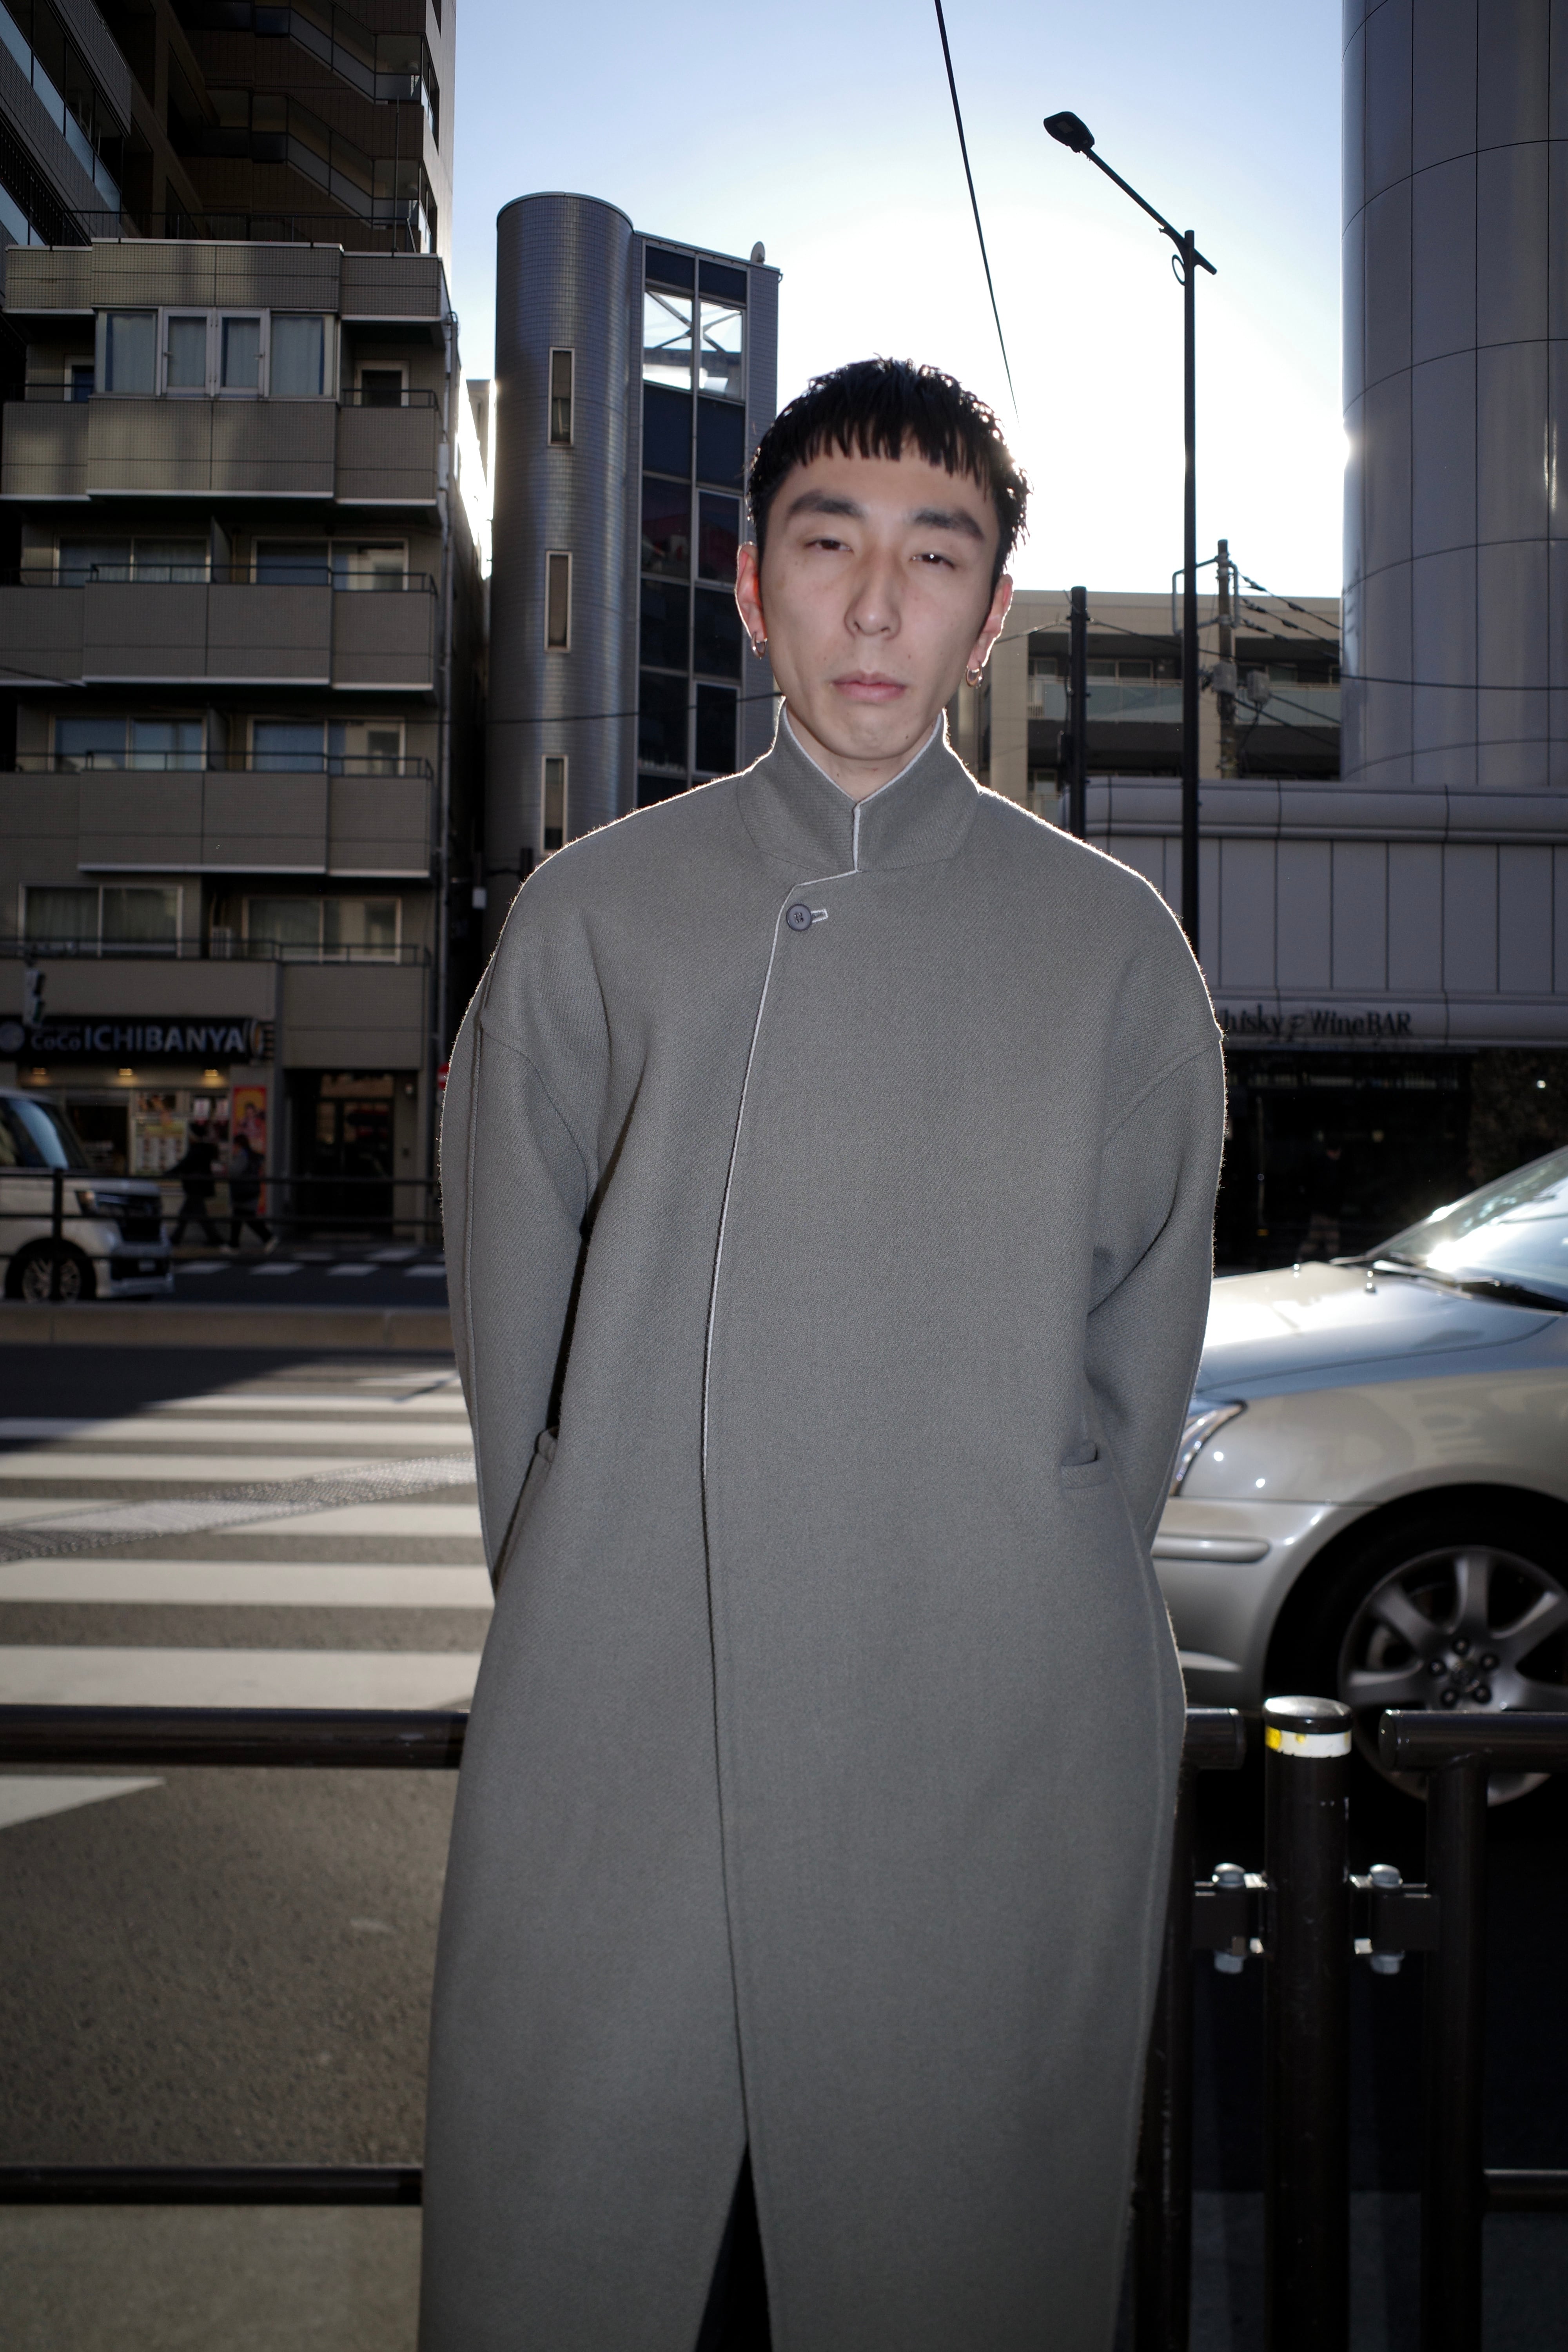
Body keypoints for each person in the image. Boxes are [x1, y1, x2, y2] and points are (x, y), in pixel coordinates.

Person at [421, 358, 1225, 2352]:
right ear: (748, 588)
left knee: (941, 2253)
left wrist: (1011, 1584)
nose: (876, 603)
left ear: (989, 613)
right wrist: (606, 1593)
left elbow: (1127, 1389)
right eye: (826, 543)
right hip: (637, 1727)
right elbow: (514, 1348)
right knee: (615, 2258)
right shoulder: (594, 918)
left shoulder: (1109, 951)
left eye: (933, 557)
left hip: (988, 1749)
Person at [167, 1120, 221, 1248]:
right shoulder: (201, 1149)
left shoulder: (197, 1150)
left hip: (195, 1187)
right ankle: (177, 1238)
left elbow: (185, 1164)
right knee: (190, 1214)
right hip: (197, 1187)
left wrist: (169, 1173)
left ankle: (214, 1239)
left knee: (194, 1215)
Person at [226, 1122, 273, 1251]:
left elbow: (235, 1172)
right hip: (250, 1192)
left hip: (244, 1193)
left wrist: (228, 1168)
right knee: (240, 1218)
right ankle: (234, 1244)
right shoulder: (252, 1155)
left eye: (235, 1145)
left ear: (238, 1145)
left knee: (247, 1218)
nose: (233, 1148)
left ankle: (268, 1238)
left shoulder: (243, 1155)